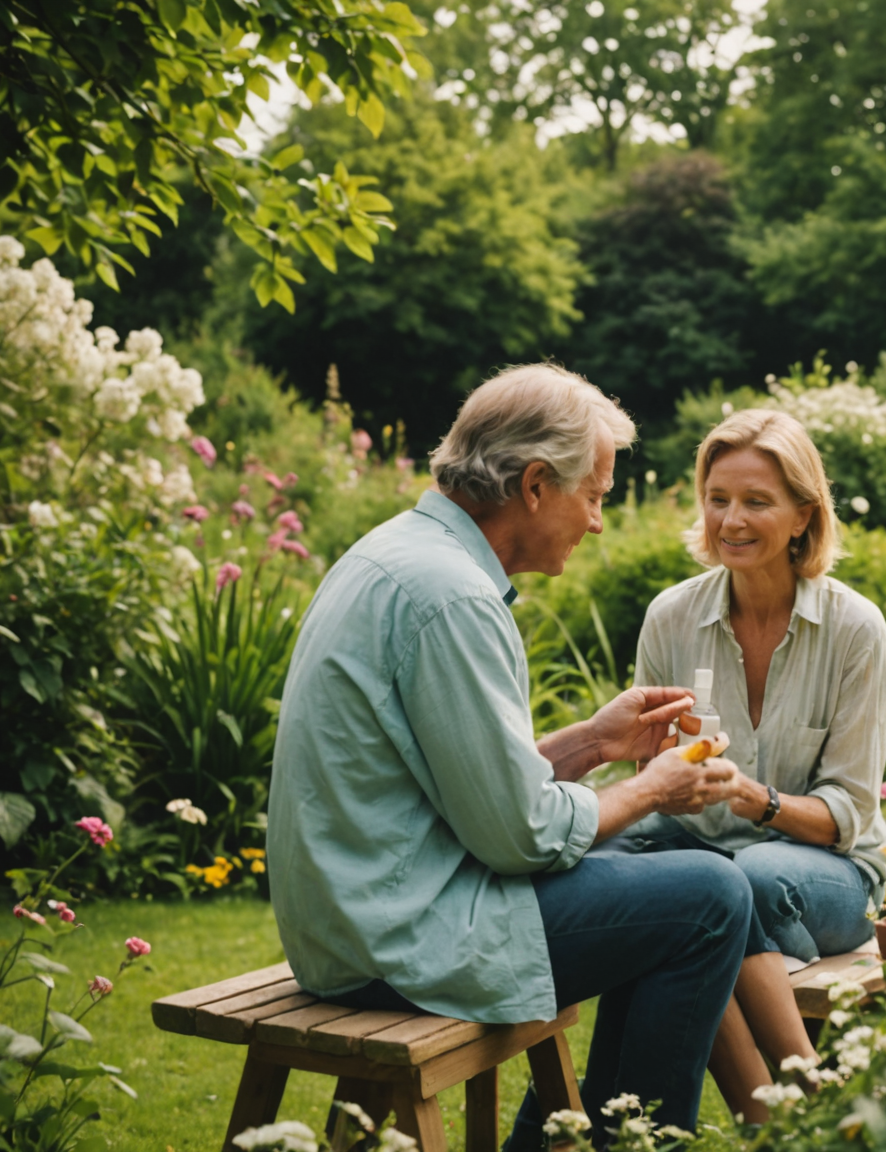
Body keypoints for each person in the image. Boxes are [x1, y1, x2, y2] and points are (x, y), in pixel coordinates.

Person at [268, 364, 754, 1147]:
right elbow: (518, 834)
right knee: (709, 899)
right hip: (398, 937)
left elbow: (461, 782)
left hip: (354, 916)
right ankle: (625, 1142)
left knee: (662, 878)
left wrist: (596, 742)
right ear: (534, 485)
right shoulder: (453, 596)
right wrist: (656, 785)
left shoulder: (398, 552)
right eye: (594, 496)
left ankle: (580, 1138)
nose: (598, 521)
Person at [624, 408, 886, 1123]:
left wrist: (751, 798)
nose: (730, 520)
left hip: (823, 874)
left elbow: (847, 816)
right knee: (641, 869)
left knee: (744, 880)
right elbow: (646, 772)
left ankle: (772, 1111)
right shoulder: (671, 618)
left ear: (804, 516)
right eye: (718, 499)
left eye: (756, 502)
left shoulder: (855, 629)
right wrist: (656, 788)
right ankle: (783, 1117)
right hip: (703, 853)